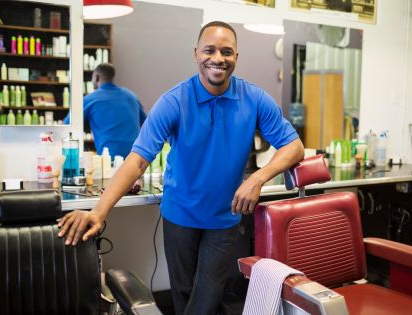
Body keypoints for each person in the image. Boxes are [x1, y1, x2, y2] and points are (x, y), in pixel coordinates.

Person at [58, 21, 305, 314]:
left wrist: (259, 178)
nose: (218, 58)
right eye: (209, 50)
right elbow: (137, 160)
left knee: (208, 296)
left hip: (225, 218)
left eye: (227, 52)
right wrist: (99, 211)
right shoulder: (174, 101)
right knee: (184, 293)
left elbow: (294, 146)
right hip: (180, 215)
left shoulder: (254, 99)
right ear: (196, 53)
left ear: (236, 57)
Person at [64, 63, 147, 158]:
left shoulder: (90, 99)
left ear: (96, 77)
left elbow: (67, 125)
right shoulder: (132, 96)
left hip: (109, 160)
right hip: (135, 158)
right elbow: (147, 124)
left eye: (92, 77)